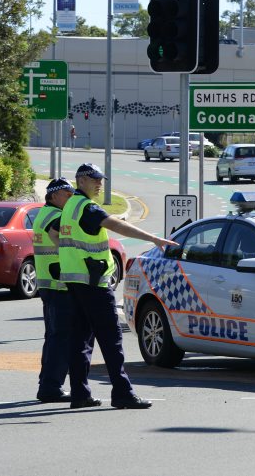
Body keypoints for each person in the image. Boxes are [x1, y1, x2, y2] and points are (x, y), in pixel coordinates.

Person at [60, 163, 177, 409]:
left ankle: (80, 394)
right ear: (81, 181)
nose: (99, 183)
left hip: (74, 282)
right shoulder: (87, 208)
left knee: (79, 340)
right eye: (94, 179)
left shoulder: (70, 206)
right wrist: (153, 238)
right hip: (93, 283)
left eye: (100, 179)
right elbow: (116, 226)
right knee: (111, 340)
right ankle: (122, 392)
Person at [33, 178, 78, 403]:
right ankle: (51, 387)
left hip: (47, 283)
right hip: (59, 284)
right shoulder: (56, 216)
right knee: (61, 338)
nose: (70, 198)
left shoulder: (43, 214)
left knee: (53, 337)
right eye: (67, 194)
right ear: (53, 195)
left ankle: (47, 383)